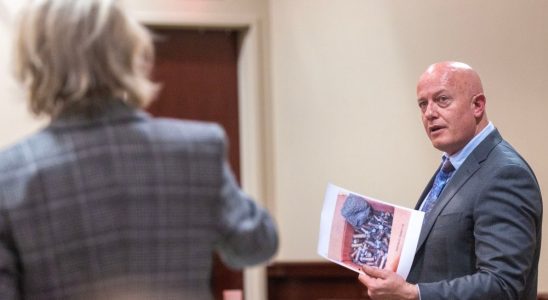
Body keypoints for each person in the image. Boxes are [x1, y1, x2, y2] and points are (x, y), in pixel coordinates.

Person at [0, 0, 277, 299]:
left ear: (34, 62)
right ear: (129, 50)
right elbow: (257, 246)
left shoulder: (10, 177)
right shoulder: (198, 150)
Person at [358, 61, 542, 300]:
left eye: (442, 100)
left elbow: (502, 285)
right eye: (423, 104)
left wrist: (414, 294)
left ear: (477, 105)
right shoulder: (453, 165)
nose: (429, 113)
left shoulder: (505, 173)